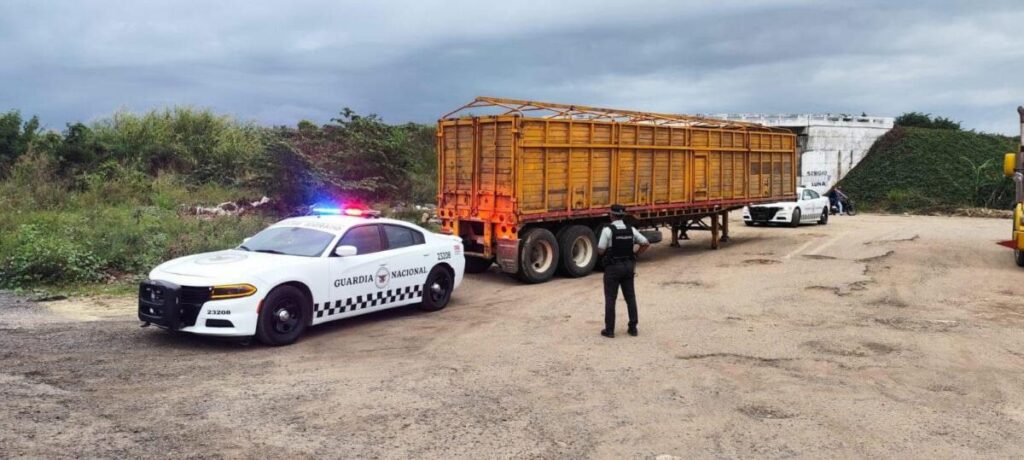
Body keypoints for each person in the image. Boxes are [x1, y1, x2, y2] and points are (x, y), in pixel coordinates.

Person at [597, 204, 650, 338]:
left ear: (612, 215)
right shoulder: (630, 229)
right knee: (630, 297)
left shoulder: (607, 230)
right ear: (623, 215)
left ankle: (609, 330)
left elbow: (600, 250)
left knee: (610, 299)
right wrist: (636, 255)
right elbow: (645, 243)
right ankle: (633, 328)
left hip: (613, 268)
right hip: (628, 266)